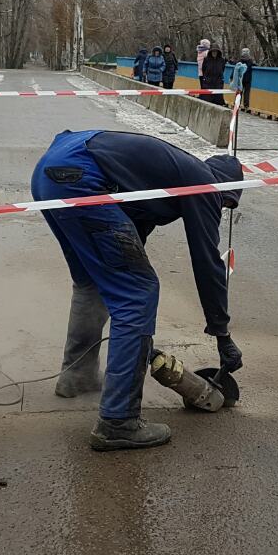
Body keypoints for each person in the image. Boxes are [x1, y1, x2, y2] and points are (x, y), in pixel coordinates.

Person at [31, 130, 246, 451]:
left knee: (94, 283)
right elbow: (207, 262)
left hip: (50, 174)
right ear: (225, 188)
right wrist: (222, 335)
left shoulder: (161, 179)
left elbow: (130, 241)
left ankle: (78, 377)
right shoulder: (205, 184)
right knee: (138, 294)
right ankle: (118, 422)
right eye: (226, 204)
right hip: (81, 177)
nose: (220, 209)